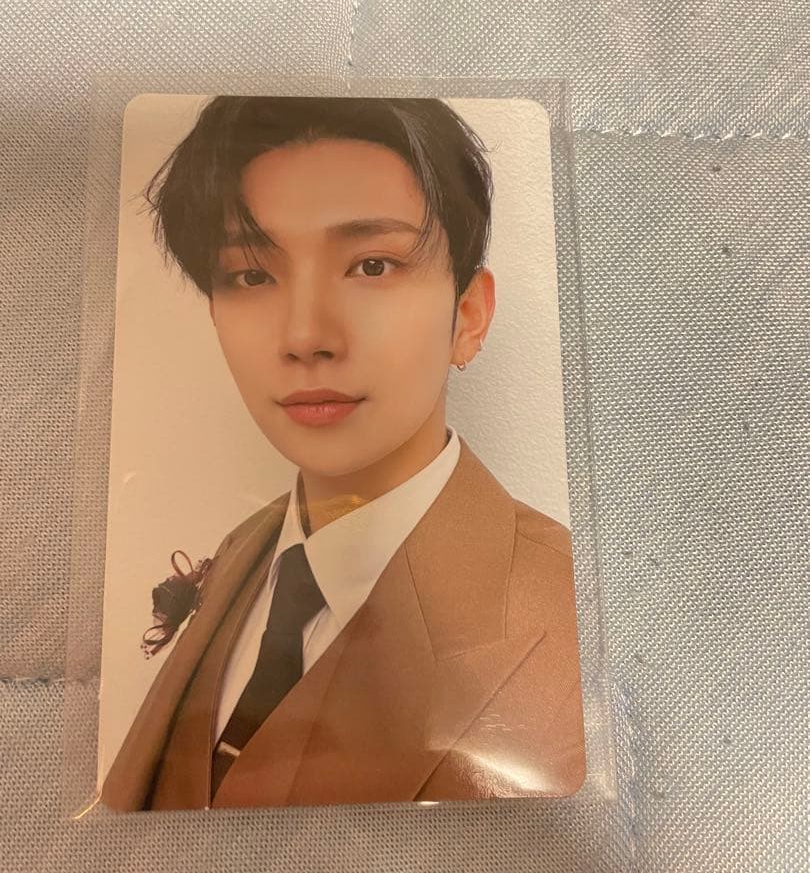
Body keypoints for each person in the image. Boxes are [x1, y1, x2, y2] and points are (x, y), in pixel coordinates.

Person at [100, 96, 586, 811]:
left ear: (468, 315)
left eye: (372, 265)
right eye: (251, 276)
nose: (306, 336)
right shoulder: (245, 551)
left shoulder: (574, 613)